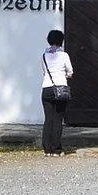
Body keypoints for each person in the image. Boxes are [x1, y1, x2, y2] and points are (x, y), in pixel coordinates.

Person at [40, 28, 73, 156]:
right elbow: (70, 72)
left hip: (46, 88)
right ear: (61, 41)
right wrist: (65, 75)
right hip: (60, 88)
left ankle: (47, 149)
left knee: (48, 119)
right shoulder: (64, 55)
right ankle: (56, 149)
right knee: (58, 119)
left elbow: (44, 71)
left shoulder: (44, 55)